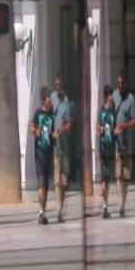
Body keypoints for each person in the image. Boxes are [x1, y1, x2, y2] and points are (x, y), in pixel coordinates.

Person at [98, 75, 135, 219]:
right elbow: (106, 115)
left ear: (126, 83)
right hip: (115, 144)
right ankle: (119, 205)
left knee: (126, 176)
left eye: (122, 83)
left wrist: (125, 125)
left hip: (127, 143)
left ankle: (123, 205)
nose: (120, 86)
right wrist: (106, 130)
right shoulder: (113, 96)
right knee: (118, 175)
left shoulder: (131, 99)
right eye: (118, 83)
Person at [49, 76, 77, 224]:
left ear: (64, 88)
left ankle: (61, 207)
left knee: (64, 181)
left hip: (65, 146)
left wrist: (61, 128)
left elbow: (70, 123)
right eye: (56, 85)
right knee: (56, 181)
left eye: (59, 86)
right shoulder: (52, 97)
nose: (57, 88)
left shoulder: (68, 104)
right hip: (55, 147)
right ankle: (59, 210)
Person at [31, 92, 57, 226]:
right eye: (49, 99)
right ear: (44, 101)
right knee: (41, 183)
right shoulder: (38, 113)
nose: (51, 101)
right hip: (39, 152)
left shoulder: (52, 115)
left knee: (45, 185)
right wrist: (35, 131)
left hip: (49, 152)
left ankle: (43, 212)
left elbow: (52, 132)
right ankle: (41, 212)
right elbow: (32, 126)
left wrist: (54, 135)